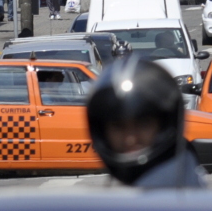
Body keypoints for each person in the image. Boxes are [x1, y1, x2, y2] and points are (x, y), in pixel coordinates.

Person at [85, 57, 205, 188]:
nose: (130, 139)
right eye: (118, 127)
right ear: (101, 130)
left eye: (143, 125)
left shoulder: (178, 185)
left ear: (164, 123)